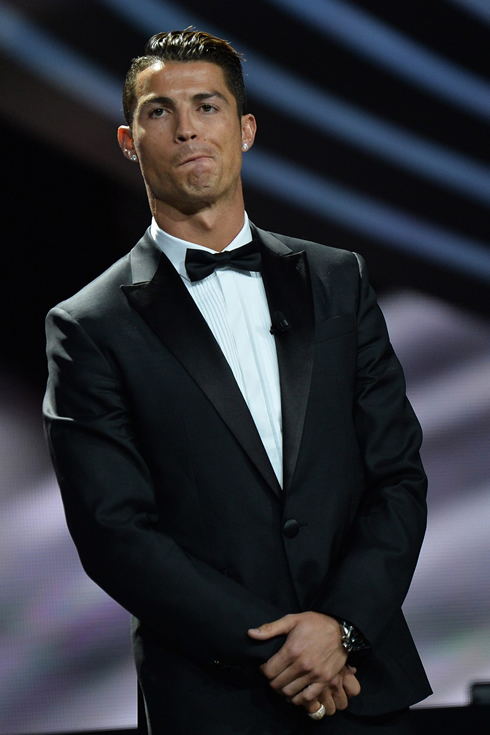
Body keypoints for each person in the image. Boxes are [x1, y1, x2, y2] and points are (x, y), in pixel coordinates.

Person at [43, 29, 431, 734]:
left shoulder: (338, 279)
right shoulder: (87, 325)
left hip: (363, 687)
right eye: (161, 112)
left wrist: (340, 628)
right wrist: (288, 648)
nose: (188, 128)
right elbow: (115, 533)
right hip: (210, 699)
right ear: (129, 141)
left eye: (208, 106)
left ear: (245, 129)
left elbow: (398, 475)